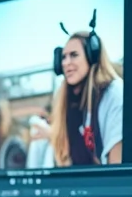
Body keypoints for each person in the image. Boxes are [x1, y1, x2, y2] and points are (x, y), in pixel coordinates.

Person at [39, 31, 124, 167]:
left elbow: (116, 166)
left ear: (92, 56)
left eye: (74, 55)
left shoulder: (113, 93)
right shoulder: (69, 102)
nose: (66, 63)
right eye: (63, 57)